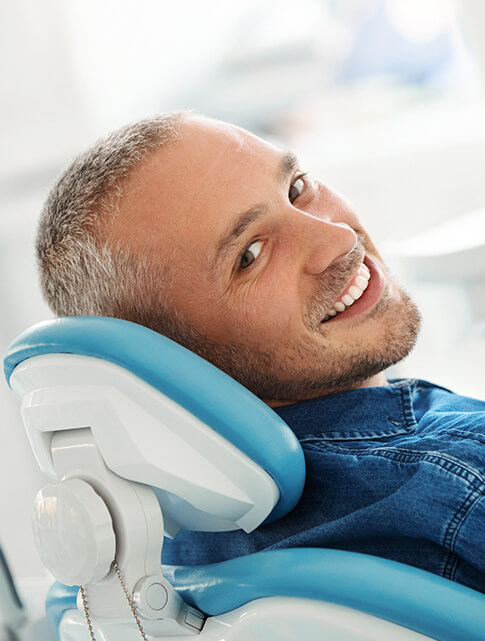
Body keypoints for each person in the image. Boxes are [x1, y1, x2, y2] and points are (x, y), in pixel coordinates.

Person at [36, 112, 485, 593]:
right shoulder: (455, 479)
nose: (339, 238)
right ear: (176, 363)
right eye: (249, 255)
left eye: (297, 187)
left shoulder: (163, 559)